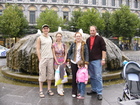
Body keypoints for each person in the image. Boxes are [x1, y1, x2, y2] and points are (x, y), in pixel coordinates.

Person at [86, 26, 106, 100]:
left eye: (93, 30)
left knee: (98, 76)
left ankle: (99, 92)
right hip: (90, 60)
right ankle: (94, 89)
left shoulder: (100, 39)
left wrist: (103, 59)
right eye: (91, 30)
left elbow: (104, 49)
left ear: (96, 31)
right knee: (92, 76)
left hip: (97, 60)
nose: (92, 32)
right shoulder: (88, 39)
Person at [67, 32, 89, 98]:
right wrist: (68, 60)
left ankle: (80, 91)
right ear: (75, 37)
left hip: (81, 63)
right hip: (74, 62)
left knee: (81, 78)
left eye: (79, 36)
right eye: (77, 36)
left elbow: (86, 54)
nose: (78, 37)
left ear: (81, 37)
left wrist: (86, 63)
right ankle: (74, 92)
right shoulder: (73, 44)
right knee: (74, 78)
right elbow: (69, 52)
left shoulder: (84, 44)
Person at [36, 24, 54, 98]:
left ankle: (49, 89)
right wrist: (40, 58)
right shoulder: (39, 38)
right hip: (43, 58)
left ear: (49, 29)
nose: (46, 29)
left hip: (50, 58)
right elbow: (37, 48)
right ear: (42, 30)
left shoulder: (50, 37)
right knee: (42, 74)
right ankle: (41, 90)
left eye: (47, 28)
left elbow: (52, 47)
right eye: (44, 28)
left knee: (50, 74)